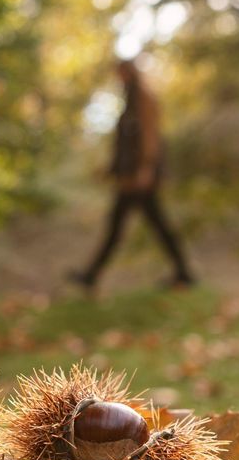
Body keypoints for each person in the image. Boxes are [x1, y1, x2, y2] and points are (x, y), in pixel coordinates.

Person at [71, 57, 195, 290]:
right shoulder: (129, 101)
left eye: (121, 73)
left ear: (129, 73)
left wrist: (146, 167)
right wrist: (111, 169)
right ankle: (183, 272)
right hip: (129, 178)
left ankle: (91, 276)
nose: (119, 78)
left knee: (129, 227)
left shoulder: (144, 99)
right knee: (140, 226)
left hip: (139, 179)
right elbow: (126, 142)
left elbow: (150, 137)